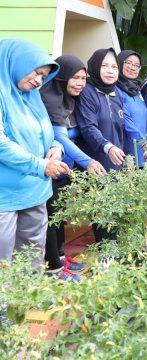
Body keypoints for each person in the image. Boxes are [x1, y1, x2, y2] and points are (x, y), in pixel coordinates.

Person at [0, 39, 68, 268]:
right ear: (18, 63)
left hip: (36, 190)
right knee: (3, 261)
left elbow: (48, 133)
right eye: (37, 72)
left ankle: (28, 303)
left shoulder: (31, 96)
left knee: (30, 259)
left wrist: (56, 149)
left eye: (43, 76)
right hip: (5, 197)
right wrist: (40, 166)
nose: (39, 81)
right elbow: (1, 144)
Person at [41, 55, 106, 280]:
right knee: (50, 218)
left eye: (83, 78)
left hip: (64, 169)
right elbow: (60, 136)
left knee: (59, 216)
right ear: (62, 77)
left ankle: (60, 258)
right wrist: (88, 162)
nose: (80, 83)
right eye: (75, 78)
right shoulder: (50, 99)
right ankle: (54, 269)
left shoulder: (69, 100)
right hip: (49, 168)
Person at [75, 48, 125, 242]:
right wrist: (107, 146)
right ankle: (106, 256)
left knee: (116, 212)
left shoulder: (116, 93)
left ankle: (116, 253)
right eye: (105, 66)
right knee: (101, 213)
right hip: (97, 162)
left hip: (116, 163)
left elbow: (121, 128)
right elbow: (88, 127)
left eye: (114, 67)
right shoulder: (87, 92)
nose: (110, 71)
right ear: (95, 67)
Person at [116, 50, 147, 168]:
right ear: (120, 63)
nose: (133, 68)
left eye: (136, 65)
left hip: (143, 150)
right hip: (127, 149)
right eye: (129, 63)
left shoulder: (137, 90)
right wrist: (144, 143)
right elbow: (126, 120)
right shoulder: (116, 90)